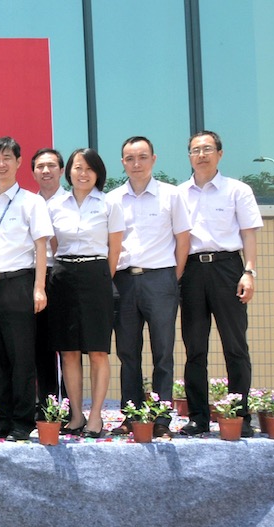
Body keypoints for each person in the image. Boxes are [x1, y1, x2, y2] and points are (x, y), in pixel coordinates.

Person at [177, 130, 262, 437]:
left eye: (207, 149)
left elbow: (249, 234)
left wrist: (249, 272)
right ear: (189, 156)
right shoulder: (179, 194)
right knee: (194, 348)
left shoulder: (237, 190)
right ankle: (198, 417)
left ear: (220, 154)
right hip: (191, 272)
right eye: (195, 150)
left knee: (235, 346)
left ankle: (239, 416)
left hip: (228, 269)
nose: (201, 155)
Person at [107, 136, 190, 438]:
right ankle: (132, 416)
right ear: (123, 163)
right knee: (128, 353)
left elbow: (183, 240)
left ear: (153, 159)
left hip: (160, 280)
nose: (136, 163)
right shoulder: (112, 199)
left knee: (163, 353)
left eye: (142, 157)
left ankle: (161, 418)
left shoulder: (171, 195)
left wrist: (172, 278)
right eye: (130, 158)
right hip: (124, 281)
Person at [0, 137, 53, 441]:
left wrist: (39, 288)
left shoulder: (31, 202)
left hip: (20, 283)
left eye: (7, 157)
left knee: (21, 357)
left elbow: (41, 246)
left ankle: (23, 419)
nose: (1, 164)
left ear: (19, 162)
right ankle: (2, 418)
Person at [48, 148, 123, 437]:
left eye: (89, 169)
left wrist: (101, 278)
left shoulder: (109, 203)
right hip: (63, 277)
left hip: (96, 276)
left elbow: (114, 249)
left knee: (97, 350)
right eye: (78, 167)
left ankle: (95, 417)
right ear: (69, 171)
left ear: (98, 173)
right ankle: (77, 415)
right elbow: (54, 245)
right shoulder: (56, 205)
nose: (83, 173)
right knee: (68, 351)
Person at [30, 149, 68, 410]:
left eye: (51, 165)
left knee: (67, 347)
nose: (46, 171)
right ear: (33, 172)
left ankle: (69, 406)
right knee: (40, 344)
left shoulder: (72, 202)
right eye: (40, 166)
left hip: (64, 276)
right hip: (35, 278)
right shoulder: (27, 203)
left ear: (61, 170)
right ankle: (47, 406)